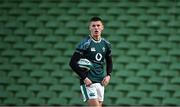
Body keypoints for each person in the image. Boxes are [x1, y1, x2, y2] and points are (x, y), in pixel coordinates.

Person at [69, 16, 113, 107]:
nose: (96, 28)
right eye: (93, 26)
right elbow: (72, 63)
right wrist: (84, 78)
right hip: (88, 82)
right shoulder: (85, 43)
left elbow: (109, 61)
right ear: (90, 28)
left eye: (98, 25)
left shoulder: (106, 44)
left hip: (100, 82)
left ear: (102, 27)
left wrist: (108, 75)